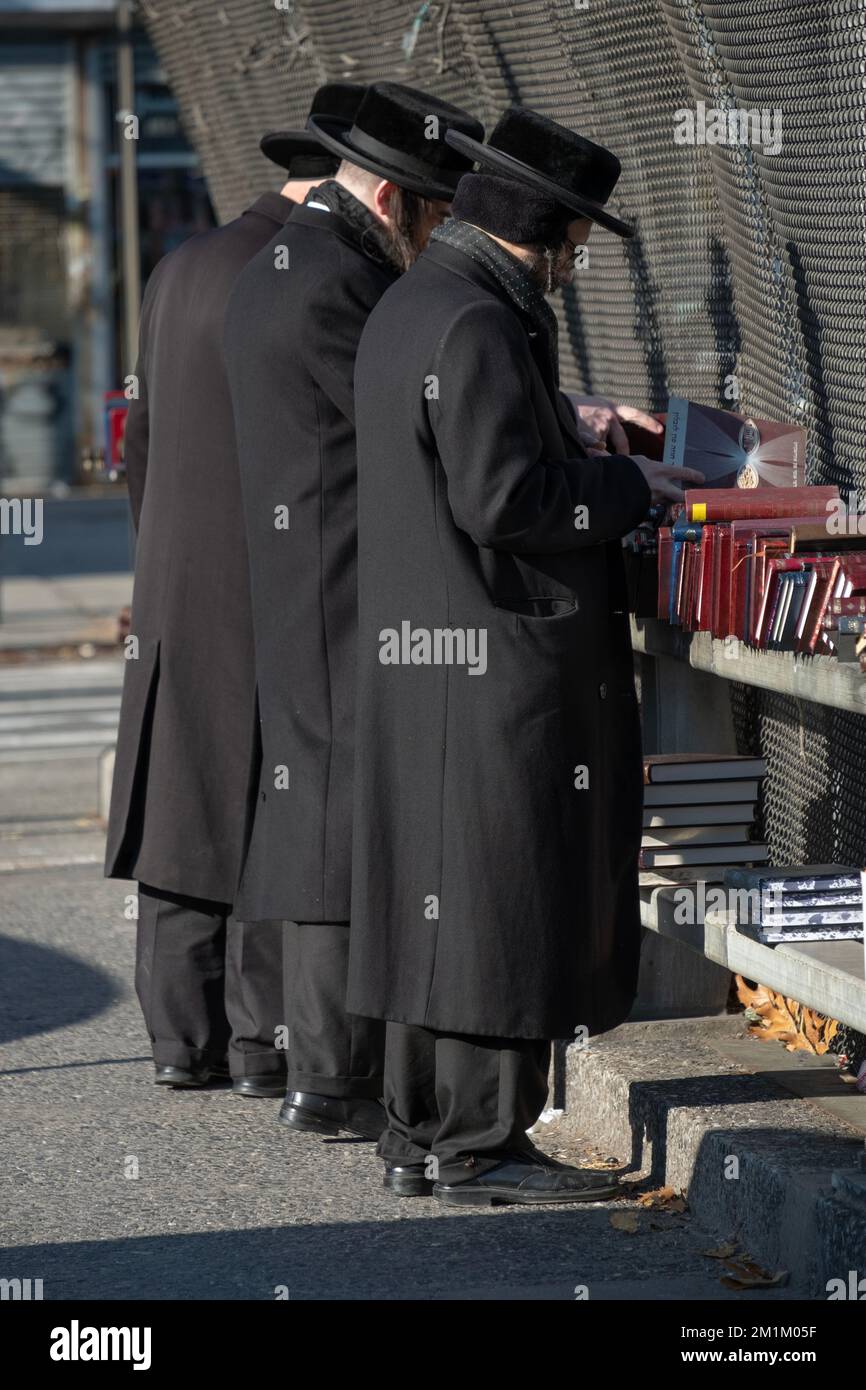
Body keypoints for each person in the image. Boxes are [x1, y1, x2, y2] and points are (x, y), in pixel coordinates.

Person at [347, 106, 704, 1203]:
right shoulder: (480, 324)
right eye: (577, 239)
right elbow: (505, 497)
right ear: (541, 231)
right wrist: (621, 487)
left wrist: (566, 431)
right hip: (496, 655)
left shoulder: (416, 303)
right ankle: (479, 1143)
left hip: (425, 650)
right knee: (497, 894)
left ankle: (419, 1128)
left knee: (431, 891)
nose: (577, 258)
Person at [223, 83, 484, 1148]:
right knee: (336, 813)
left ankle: (311, 1060)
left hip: (297, 565)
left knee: (310, 799)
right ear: (385, 196)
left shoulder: (282, 263)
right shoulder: (336, 280)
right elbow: (400, 412)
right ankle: (330, 1075)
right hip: (341, 570)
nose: (425, 234)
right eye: (423, 210)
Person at [105, 83, 367, 1095]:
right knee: (272, 798)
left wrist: (154, 552)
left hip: (175, 574)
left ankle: (178, 1040)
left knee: (179, 808)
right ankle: (261, 1041)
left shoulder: (179, 264)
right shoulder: (307, 272)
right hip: (274, 575)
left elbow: (140, 439)